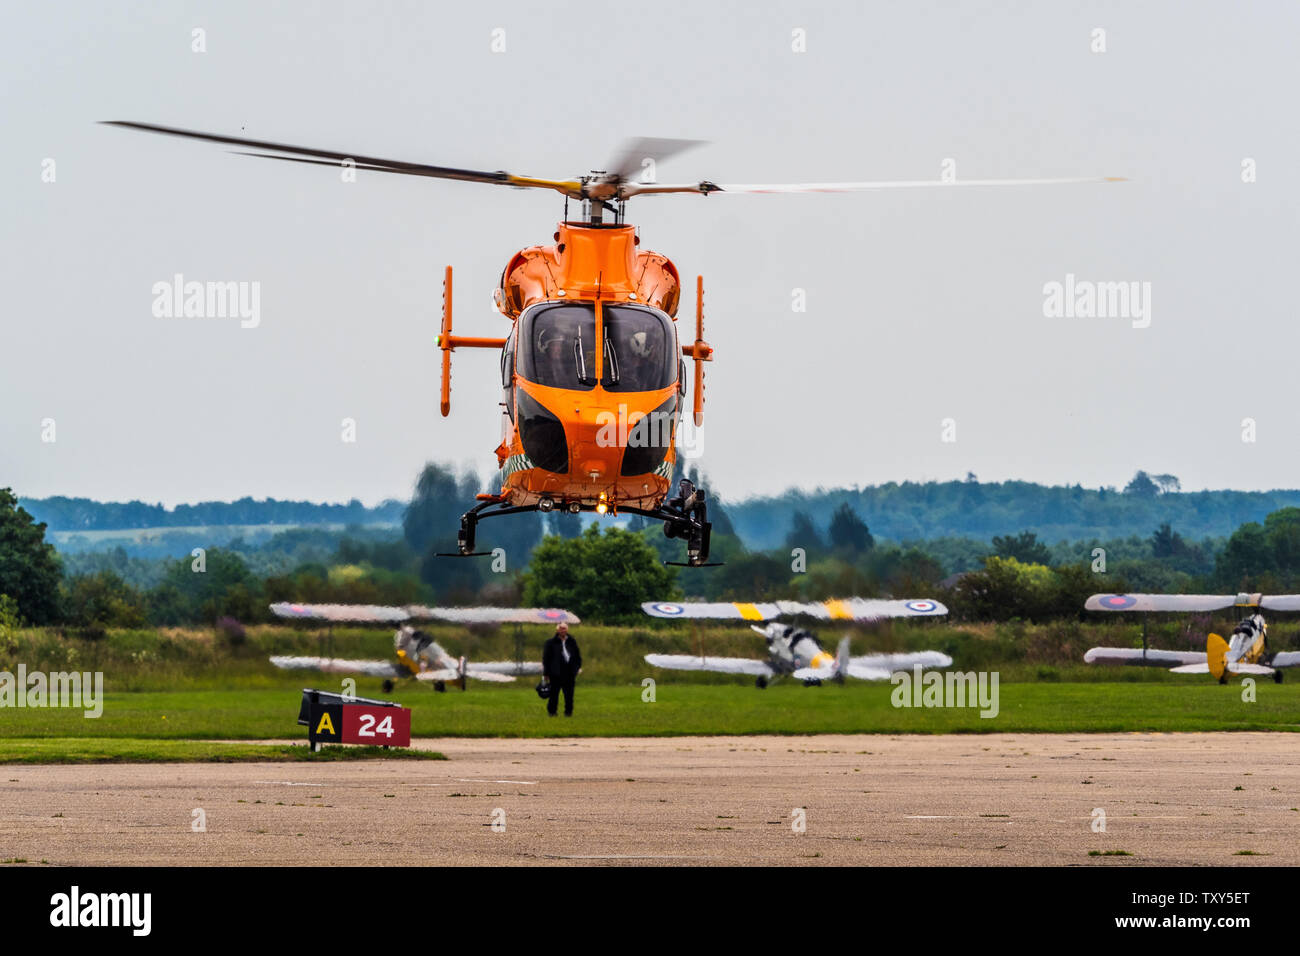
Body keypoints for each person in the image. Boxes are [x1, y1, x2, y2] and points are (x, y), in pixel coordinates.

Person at [542, 622, 582, 717]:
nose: (563, 630)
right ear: (557, 630)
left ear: (567, 629)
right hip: (556, 672)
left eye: (564, 628)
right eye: (561, 628)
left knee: (569, 695)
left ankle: (568, 712)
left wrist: (576, 668)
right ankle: (552, 712)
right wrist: (546, 673)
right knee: (554, 694)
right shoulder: (550, 643)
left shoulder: (572, 641)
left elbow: (577, 656)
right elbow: (546, 659)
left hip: (569, 671)